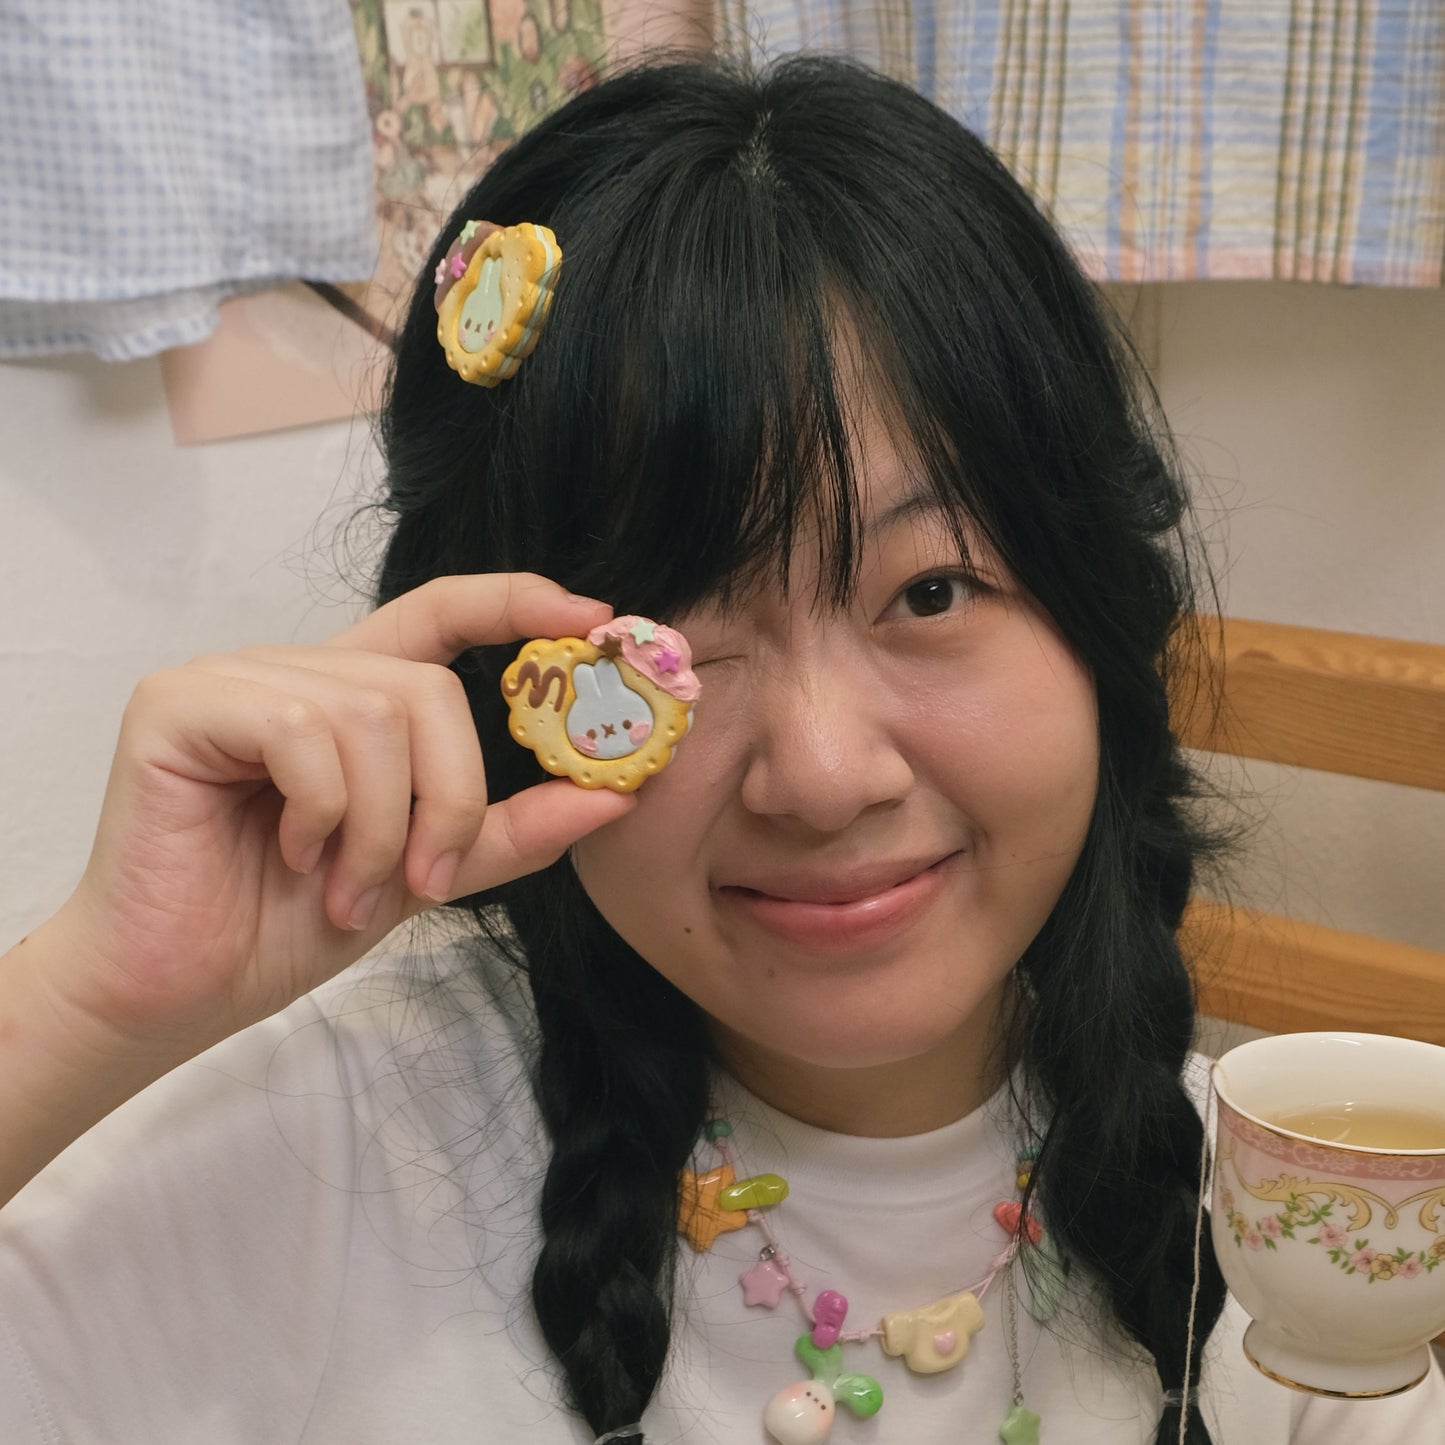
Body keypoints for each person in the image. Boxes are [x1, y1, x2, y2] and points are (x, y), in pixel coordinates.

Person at [0, 55, 1440, 1445]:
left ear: (1099, 623)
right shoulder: (318, 1156)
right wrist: (85, 1005)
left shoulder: (1300, 1225)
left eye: (928, 591)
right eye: (658, 640)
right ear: (510, 695)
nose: (819, 773)